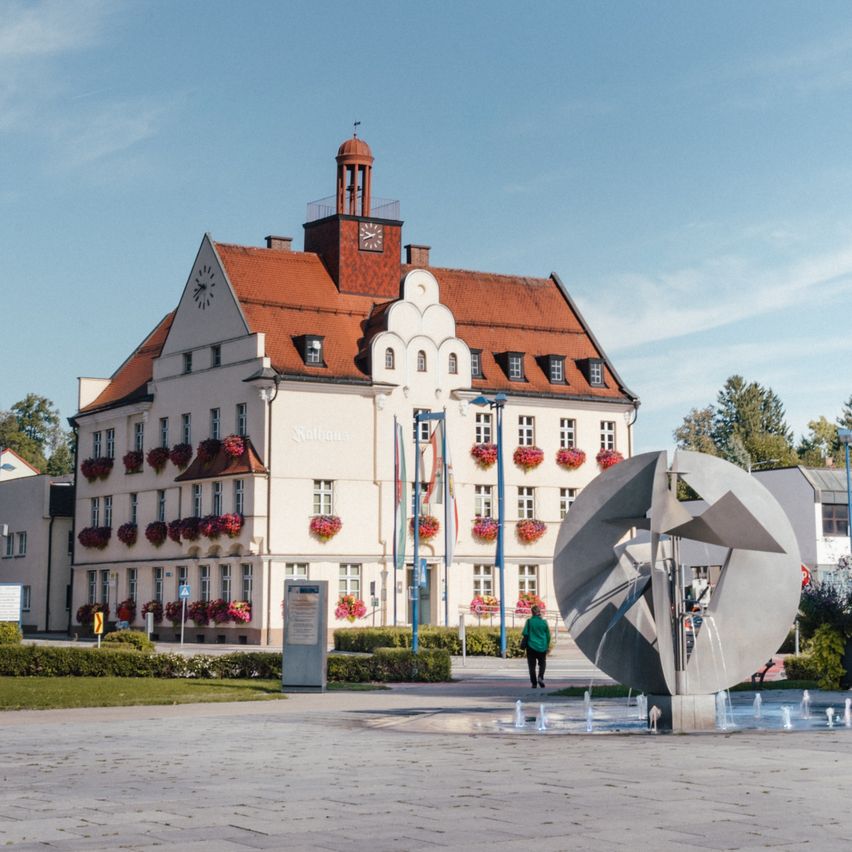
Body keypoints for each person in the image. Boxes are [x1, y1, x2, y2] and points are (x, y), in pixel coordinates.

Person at [522, 604, 551, 688]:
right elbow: (548, 636)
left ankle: (534, 683)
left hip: (531, 646)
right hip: (542, 647)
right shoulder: (544, 622)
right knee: (542, 663)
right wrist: (547, 645)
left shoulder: (529, 621)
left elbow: (525, 633)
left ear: (532, 613)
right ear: (539, 612)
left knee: (531, 666)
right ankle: (540, 677)